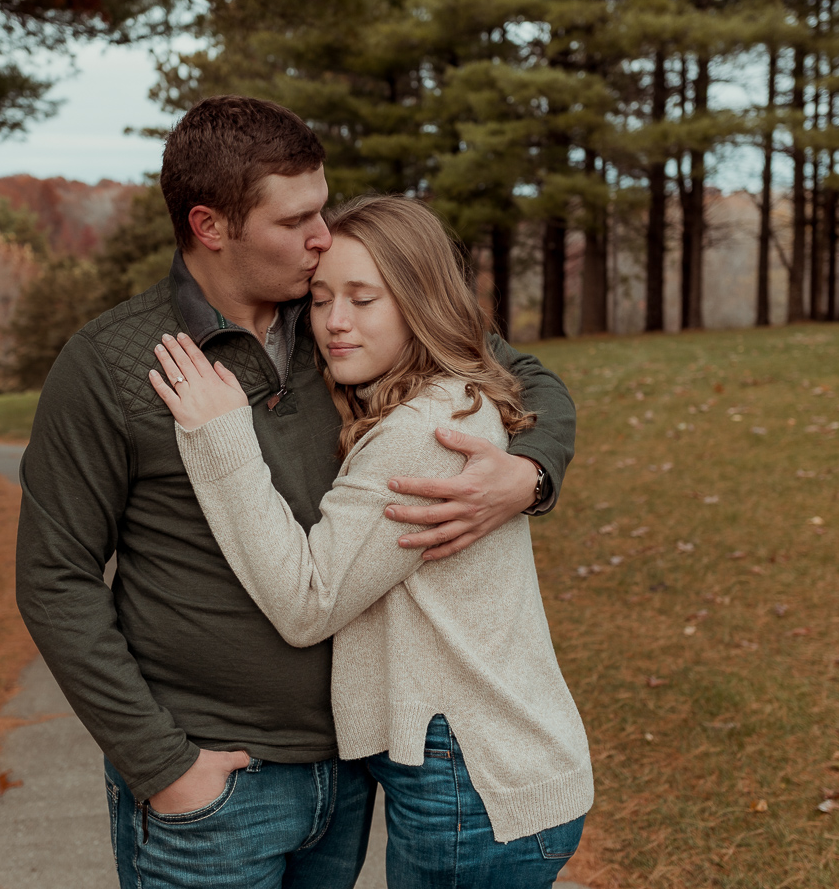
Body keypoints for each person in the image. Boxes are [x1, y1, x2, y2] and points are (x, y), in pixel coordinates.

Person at [15, 95, 577, 889]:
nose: (323, 237)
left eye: (324, 208)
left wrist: (531, 473)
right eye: (295, 221)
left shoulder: (350, 315)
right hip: (215, 786)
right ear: (211, 227)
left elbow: (524, 379)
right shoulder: (112, 365)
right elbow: (55, 578)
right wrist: (163, 764)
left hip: (350, 778)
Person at [148, 194, 593, 888]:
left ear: (420, 304)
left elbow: (308, 603)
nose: (335, 324)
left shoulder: (424, 434)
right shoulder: (445, 399)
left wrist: (222, 437)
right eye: (321, 300)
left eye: (363, 299)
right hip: (489, 772)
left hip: (474, 786)